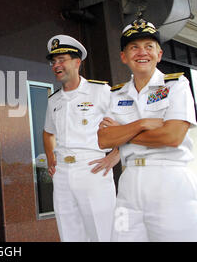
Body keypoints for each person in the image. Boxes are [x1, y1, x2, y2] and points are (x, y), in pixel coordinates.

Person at [97, 18, 197, 241]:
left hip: (170, 181)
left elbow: (172, 136)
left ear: (159, 54)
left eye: (149, 46)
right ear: (123, 56)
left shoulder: (176, 86)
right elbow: (104, 139)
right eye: (134, 47)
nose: (142, 52)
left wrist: (123, 134)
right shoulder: (116, 94)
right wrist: (141, 125)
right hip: (128, 183)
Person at [43, 35, 119, 242]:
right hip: (62, 174)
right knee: (69, 233)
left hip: (92, 168)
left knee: (101, 233)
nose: (56, 65)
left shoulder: (100, 91)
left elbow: (125, 125)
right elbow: (48, 132)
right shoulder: (54, 100)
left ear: (77, 62)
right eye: (53, 61)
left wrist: (116, 155)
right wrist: (51, 156)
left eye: (62, 60)